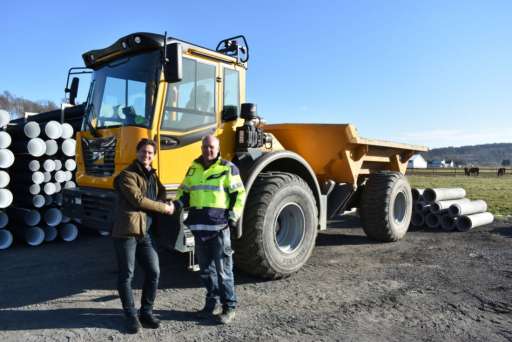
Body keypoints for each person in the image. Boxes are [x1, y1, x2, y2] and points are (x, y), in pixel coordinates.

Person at [174, 134, 246, 324]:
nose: (208, 150)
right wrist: (177, 203)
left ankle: (229, 307)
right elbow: (184, 190)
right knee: (206, 271)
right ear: (201, 148)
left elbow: (239, 194)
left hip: (219, 229)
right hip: (199, 229)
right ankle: (211, 304)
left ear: (218, 148)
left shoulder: (228, 168)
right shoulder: (193, 168)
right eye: (205, 147)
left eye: (212, 147)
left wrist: (233, 216)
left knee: (224, 272)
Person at [112, 138, 174, 334]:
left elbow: (160, 192)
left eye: (150, 153)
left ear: (153, 156)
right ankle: (130, 316)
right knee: (127, 274)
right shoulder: (127, 175)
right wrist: (164, 208)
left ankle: (146, 311)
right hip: (127, 232)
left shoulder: (152, 175)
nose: (146, 155)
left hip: (145, 232)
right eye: (143, 152)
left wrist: (169, 201)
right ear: (137, 152)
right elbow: (138, 200)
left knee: (154, 272)